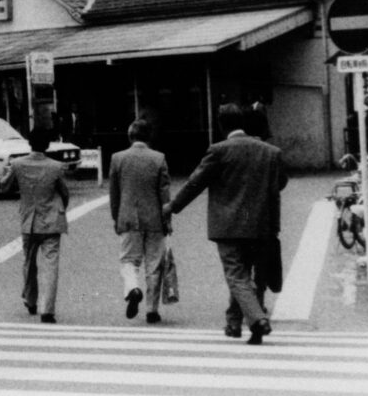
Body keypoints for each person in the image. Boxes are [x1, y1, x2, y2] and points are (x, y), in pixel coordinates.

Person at [164, 103, 288, 344]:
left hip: (228, 225)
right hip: (261, 223)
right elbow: (280, 183)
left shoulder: (219, 150)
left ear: (221, 125)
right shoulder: (271, 152)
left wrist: (173, 207)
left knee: (236, 275)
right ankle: (235, 323)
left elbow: (195, 183)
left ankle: (257, 319)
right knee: (256, 277)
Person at [109, 119, 171, 323]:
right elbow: (164, 194)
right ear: (149, 137)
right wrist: (167, 220)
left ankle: (133, 288)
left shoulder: (117, 159)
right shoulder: (159, 158)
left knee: (129, 260)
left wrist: (116, 217)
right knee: (154, 265)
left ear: (130, 136)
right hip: (154, 219)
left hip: (127, 218)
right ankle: (152, 310)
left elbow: (114, 193)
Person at [11, 129, 70, 323]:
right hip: (51, 221)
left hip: (29, 221)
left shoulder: (17, 164)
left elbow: (4, 184)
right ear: (47, 145)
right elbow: (64, 192)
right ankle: (48, 310)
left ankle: (30, 299)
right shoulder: (56, 167)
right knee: (51, 265)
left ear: (29, 143)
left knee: (29, 262)